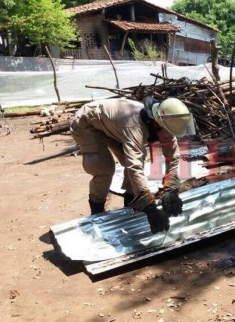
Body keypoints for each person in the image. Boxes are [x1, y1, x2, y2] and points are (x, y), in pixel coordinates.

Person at [70, 97, 194, 233]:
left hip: (112, 127)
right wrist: (150, 208)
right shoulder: (134, 126)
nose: (171, 137)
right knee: (104, 170)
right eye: (169, 132)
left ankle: (130, 204)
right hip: (87, 123)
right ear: (156, 124)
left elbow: (173, 157)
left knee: (137, 159)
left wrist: (170, 189)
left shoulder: (166, 123)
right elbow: (134, 166)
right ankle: (97, 211)